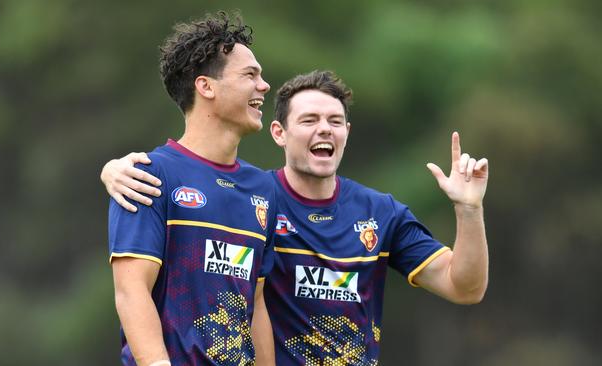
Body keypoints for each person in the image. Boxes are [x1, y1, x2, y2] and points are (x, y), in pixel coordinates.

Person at [103, 71, 489, 364]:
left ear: (347, 133)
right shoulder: (249, 198)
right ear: (279, 133)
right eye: (309, 120)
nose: (324, 129)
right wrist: (116, 169)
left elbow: (465, 287)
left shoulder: (380, 213)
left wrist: (469, 210)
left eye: (335, 121)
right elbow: (191, 187)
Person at [107, 11, 278, 366]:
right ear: (206, 87)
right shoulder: (148, 175)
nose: (264, 86)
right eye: (250, 75)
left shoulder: (263, 188)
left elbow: (256, 302)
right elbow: (131, 291)